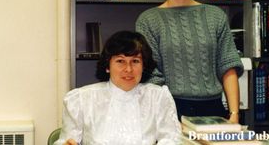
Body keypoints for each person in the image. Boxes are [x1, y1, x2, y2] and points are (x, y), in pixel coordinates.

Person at [135, 0, 244, 123]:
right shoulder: (148, 21)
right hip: (169, 111)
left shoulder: (215, 16)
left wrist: (234, 114)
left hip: (214, 110)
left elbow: (228, 67)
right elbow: (151, 76)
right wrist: (166, 117)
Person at [54, 30, 182, 145]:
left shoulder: (158, 97)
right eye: (120, 61)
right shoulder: (81, 99)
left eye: (135, 61)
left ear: (144, 66)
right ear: (107, 66)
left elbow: (172, 139)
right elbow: (66, 140)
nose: (128, 69)